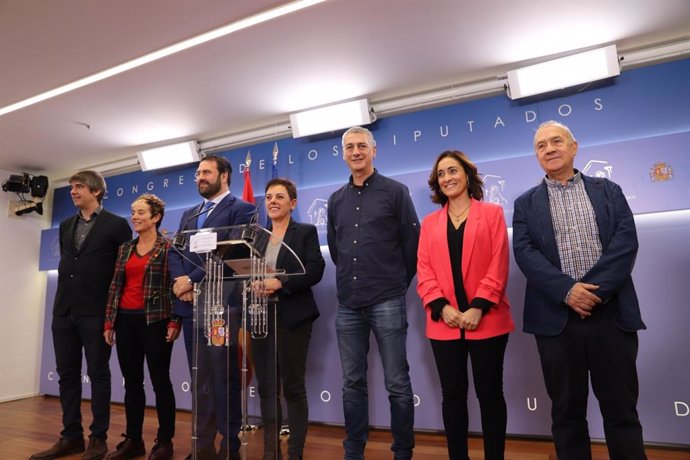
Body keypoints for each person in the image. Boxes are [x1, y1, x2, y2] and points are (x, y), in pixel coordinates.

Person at [512, 120, 647, 460]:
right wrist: (568, 292)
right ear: (536, 156)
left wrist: (593, 292)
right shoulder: (525, 204)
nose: (550, 149)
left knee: (621, 412)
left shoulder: (609, 191)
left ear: (574, 147)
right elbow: (526, 254)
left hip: (611, 317)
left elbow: (625, 242)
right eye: (541, 145)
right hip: (557, 323)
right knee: (566, 415)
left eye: (557, 141)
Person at [326, 126, 419, 460]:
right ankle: (354, 452)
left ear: (374, 150)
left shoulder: (396, 191)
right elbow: (337, 251)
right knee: (352, 383)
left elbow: (412, 247)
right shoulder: (336, 200)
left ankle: (403, 453)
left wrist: (394, 284)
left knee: (397, 383)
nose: (355, 152)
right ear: (343, 153)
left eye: (361, 146)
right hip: (348, 304)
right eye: (349, 147)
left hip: (388, 299)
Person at [416, 150, 514, 460]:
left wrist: (478, 306)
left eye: (453, 171)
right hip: (443, 324)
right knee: (453, 396)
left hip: (487, 319)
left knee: (490, 395)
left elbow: (498, 263)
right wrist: (442, 306)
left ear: (467, 175)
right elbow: (424, 270)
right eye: (442, 174)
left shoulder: (492, 213)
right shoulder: (429, 223)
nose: (447, 178)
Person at [31, 171, 132, 460]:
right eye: (72, 187)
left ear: (97, 191)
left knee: (98, 375)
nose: (73, 191)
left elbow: (120, 273)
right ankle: (71, 437)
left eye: (79, 187)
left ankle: (97, 439)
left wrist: (112, 316)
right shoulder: (65, 225)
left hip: (96, 313)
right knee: (67, 376)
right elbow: (70, 262)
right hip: (63, 312)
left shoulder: (117, 225)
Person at [168, 155, 255, 460]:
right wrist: (181, 281)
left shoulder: (243, 209)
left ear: (225, 176)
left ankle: (229, 445)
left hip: (222, 308)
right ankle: (201, 445)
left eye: (206, 172)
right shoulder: (190, 214)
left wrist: (191, 280)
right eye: (197, 173)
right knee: (199, 378)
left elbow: (228, 252)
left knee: (224, 377)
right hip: (191, 308)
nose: (200, 177)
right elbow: (176, 249)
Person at [250, 178, 325, 460]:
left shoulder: (304, 232)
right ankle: (271, 453)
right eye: (268, 196)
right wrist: (255, 283)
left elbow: (315, 269)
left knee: (292, 387)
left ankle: (295, 454)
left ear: (292, 203)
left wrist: (281, 283)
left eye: (279, 196)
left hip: (293, 318)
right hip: (260, 318)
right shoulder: (257, 237)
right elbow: (250, 271)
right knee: (267, 388)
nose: (272, 201)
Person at [102, 194, 181, 460]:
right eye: (133, 212)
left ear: (156, 217)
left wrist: (175, 320)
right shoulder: (125, 248)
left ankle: (164, 442)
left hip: (156, 321)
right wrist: (110, 321)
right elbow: (115, 286)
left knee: (161, 382)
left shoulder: (169, 247)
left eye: (140, 213)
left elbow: (176, 286)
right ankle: (134, 440)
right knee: (132, 383)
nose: (134, 217)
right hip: (126, 321)